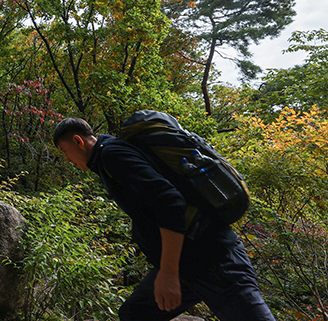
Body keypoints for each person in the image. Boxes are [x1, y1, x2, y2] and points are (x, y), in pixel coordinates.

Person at [53, 117, 276, 321]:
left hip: (214, 261)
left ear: (78, 141)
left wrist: (168, 273)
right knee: (135, 314)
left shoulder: (113, 156)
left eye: (65, 151)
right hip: (187, 264)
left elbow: (169, 202)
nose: (67, 159)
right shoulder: (109, 157)